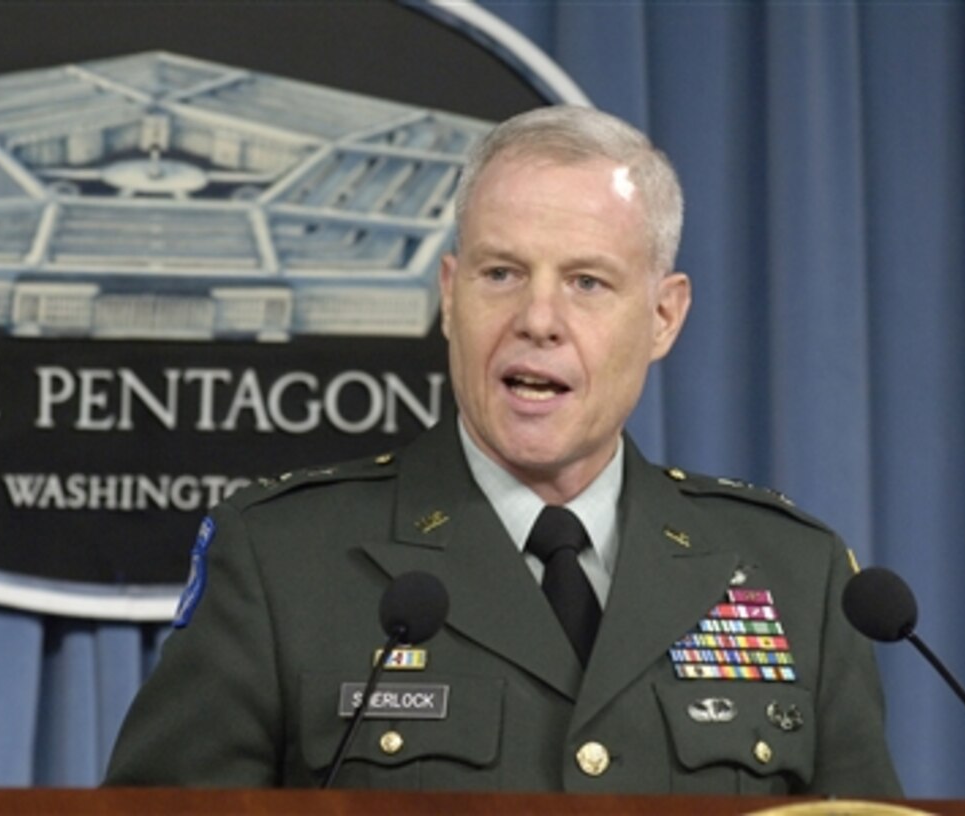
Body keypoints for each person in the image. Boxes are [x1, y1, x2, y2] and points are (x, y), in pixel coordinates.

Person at [105, 105, 902, 796]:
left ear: (664, 316)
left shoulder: (797, 576)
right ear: (449, 295)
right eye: (501, 273)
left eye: (587, 282)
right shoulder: (282, 561)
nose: (539, 319)